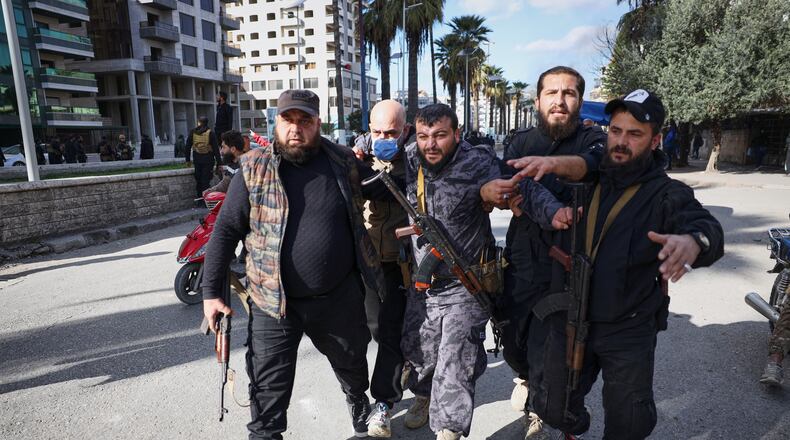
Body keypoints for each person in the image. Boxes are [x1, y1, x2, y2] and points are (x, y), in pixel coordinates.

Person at [201, 89, 395, 440]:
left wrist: (409, 151)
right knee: (267, 396)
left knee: (353, 368)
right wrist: (212, 293)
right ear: (275, 123)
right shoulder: (252, 168)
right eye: (288, 120)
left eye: (304, 121)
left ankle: (357, 401)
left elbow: (387, 188)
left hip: (336, 298)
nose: (296, 128)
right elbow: (226, 230)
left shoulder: (343, 161)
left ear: (318, 123)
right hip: (272, 304)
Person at [530, 89, 724, 439]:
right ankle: (574, 426)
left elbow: (705, 226)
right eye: (616, 131)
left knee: (628, 424)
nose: (621, 141)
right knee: (550, 407)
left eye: (634, 134)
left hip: (628, 327)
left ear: (655, 140)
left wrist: (694, 242)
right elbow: (553, 178)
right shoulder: (588, 178)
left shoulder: (666, 193)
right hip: (573, 313)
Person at [399, 104, 569, 440]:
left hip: (467, 281)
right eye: (424, 136)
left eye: (440, 136)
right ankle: (423, 394)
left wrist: (553, 212)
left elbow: (520, 187)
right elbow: (366, 156)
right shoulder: (408, 157)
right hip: (424, 284)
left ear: (457, 134)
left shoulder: (477, 161)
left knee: (455, 359)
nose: (431, 144)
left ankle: (448, 430)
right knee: (421, 354)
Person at [479, 65, 605, 439]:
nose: (560, 101)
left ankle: (552, 408)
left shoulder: (592, 141)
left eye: (569, 93)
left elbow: (592, 167)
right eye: (552, 93)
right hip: (523, 254)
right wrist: (545, 208)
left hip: (571, 258)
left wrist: (553, 168)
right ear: (538, 100)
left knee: (559, 347)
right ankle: (529, 381)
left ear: (579, 101)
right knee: (513, 338)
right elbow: (515, 188)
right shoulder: (520, 141)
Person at [349, 100, 414, 438]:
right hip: (365, 262)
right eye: (377, 132)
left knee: (391, 333)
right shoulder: (359, 156)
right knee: (371, 331)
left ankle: (384, 403)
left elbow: (387, 187)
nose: (384, 138)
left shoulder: (417, 158)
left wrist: (358, 170)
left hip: (401, 266)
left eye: (391, 132)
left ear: (405, 130)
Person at [185, 116, 221, 200]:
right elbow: (216, 149)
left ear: (198, 123)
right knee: (206, 181)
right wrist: (219, 162)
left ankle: (199, 199)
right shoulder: (210, 133)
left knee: (199, 180)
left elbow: (187, 146)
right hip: (208, 160)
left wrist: (187, 160)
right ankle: (206, 200)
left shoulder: (193, 132)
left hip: (197, 160)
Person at [202, 130, 246, 196]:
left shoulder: (248, 165)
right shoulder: (232, 165)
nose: (221, 151)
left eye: (224, 147)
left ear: (233, 149)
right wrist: (210, 191)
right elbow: (226, 183)